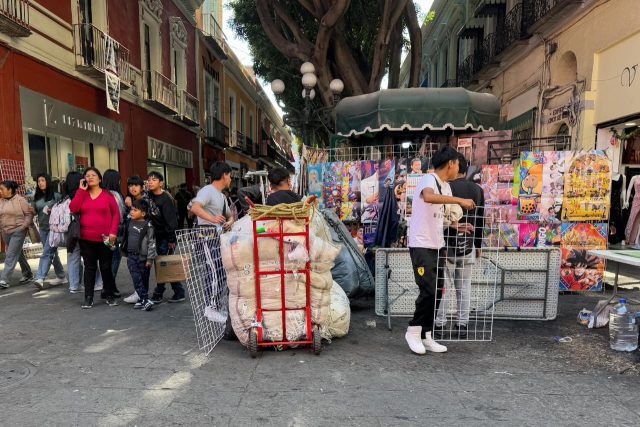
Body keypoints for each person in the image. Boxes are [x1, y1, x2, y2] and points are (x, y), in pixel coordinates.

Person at [405, 146, 476, 355]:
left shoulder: (445, 186)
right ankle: (413, 330)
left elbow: (438, 216)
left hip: (437, 245)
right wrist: (459, 201)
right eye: (458, 165)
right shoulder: (429, 180)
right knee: (427, 290)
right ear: (451, 163)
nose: (459, 170)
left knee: (437, 291)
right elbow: (428, 197)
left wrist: (455, 226)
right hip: (421, 244)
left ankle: (426, 335)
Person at [434, 153, 484, 339]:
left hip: (446, 244)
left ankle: (439, 325)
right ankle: (462, 325)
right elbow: (480, 220)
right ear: (466, 169)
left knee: (443, 287)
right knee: (464, 287)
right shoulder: (478, 190)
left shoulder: (446, 189)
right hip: (469, 244)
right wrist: (478, 245)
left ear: (455, 167)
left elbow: (439, 217)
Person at [69, 167, 121, 308]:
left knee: (106, 267)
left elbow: (116, 215)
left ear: (99, 179)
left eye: (93, 175)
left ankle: (109, 295)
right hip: (86, 239)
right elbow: (73, 209)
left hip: (106, 239)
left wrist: (113, 233)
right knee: (89, 268)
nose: (90, 177)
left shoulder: (108, 195)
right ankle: (88, 297)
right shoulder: (82, 194)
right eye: (87, 175)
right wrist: (80, 190)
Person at [147, 171, 185, 304]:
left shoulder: (165, 199)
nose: (150, 182)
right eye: (149, 179)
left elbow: (171, 221)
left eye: (154, 180)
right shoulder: (149, 196)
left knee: (163, 264)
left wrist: (171, 239)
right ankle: (178, 292)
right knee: (165, 264)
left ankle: (159, 293)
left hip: (165, 237)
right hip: (155, 236)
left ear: (161, 183)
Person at [32, 173, 66, 289]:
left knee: (47, 252)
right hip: (43, 228)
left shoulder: (56, 196)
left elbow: (64, 210)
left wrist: (54, 211)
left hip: (54, 229)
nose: (40, 183)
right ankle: (61, 276)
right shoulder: (36, 197)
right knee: (52, 253)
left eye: (42, 180)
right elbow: (34, 211)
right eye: (38, 181)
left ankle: (40, 277)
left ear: (47, 181)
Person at [122, 199, 156, 311]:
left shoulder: (148, 226)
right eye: (131, 209)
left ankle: (143, 300)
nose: (131, 212)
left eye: (135, 210)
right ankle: (145, 299)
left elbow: (152, 243)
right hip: (131, 256)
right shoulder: (129, 223)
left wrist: (150, 259)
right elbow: (124, 237)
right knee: (136, 278)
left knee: (143, 279)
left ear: (143, 213)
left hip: (143, 257)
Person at [0, 180, 34, 288]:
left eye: (2, 189)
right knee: (17, 253)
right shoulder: (1, 201)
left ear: (9, 190)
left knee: (10, 254)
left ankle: (4, 280)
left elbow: (29, 214)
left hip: (18, 231)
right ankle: (28, 273)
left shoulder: (21, 200)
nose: (0, 191)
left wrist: (23, 226)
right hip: (5, 231)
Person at [122, 175, 149, 304]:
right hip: (133, 243)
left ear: (142, 187)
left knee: (143, 271)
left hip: (145, 242)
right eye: (130, 185)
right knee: (136, 271)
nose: (132, 188)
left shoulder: (146, 201)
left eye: (135, 185)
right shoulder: (130, 201)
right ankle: (141, 294)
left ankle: (143, 295)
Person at [100, 169, 126, 296]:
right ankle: (108, 286)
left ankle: (111, 286)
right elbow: (120, 215)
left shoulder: (100, 193)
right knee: (115, 257)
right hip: (112, 231)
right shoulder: (115, 195)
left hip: (101, 231)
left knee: (106, 259)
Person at [190, 162, 234, 230]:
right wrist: (212, 218)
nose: (230, 179)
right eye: (229, 176)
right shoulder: (207, 190)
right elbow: (195, 208)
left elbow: (230, 217)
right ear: (225, 175)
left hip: (216, 235)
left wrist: (229, 223)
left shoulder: (223, 196)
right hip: (206, 236)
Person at [64, 172, 84, 293]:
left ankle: (74, 285)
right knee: (88, 257)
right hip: (80, 229)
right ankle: (98, 282)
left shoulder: (64, 196)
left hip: (68, 231)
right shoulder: (81, 194)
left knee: (73, 256)